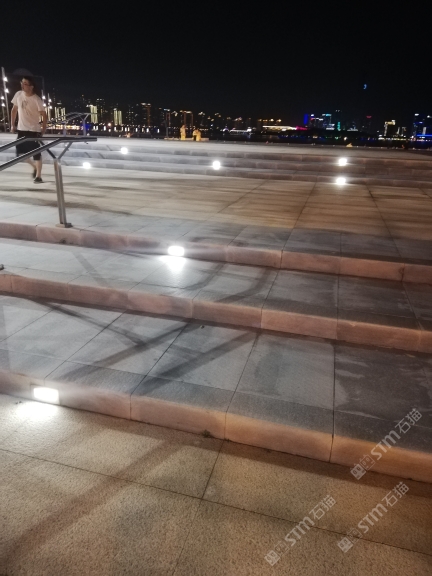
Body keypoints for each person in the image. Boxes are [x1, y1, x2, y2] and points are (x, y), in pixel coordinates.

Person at [10, 76, 47, 183]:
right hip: (21, 129)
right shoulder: (18, 94)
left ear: (31, 86)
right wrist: (12, 125)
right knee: (20, 153)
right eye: (22, 83)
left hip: (34, 130)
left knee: (36, 153)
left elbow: (44, 115)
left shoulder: (36, 99)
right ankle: (34, 167)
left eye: (25, 83)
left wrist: (43, 128)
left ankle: (38, 176)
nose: (22, 85)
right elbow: (14, 110)